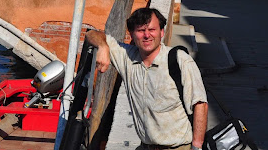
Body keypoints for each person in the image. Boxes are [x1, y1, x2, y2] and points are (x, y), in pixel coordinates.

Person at [86, 8, 207, 150]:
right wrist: (102, 46)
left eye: (152, 29)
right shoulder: (127, 58)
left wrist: (197, 146)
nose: (147, 35)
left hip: (179, 146)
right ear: (131, 34)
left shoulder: (180, 60)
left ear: (162, 32)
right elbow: (91, 33)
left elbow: (200, 104)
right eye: (141, 30)